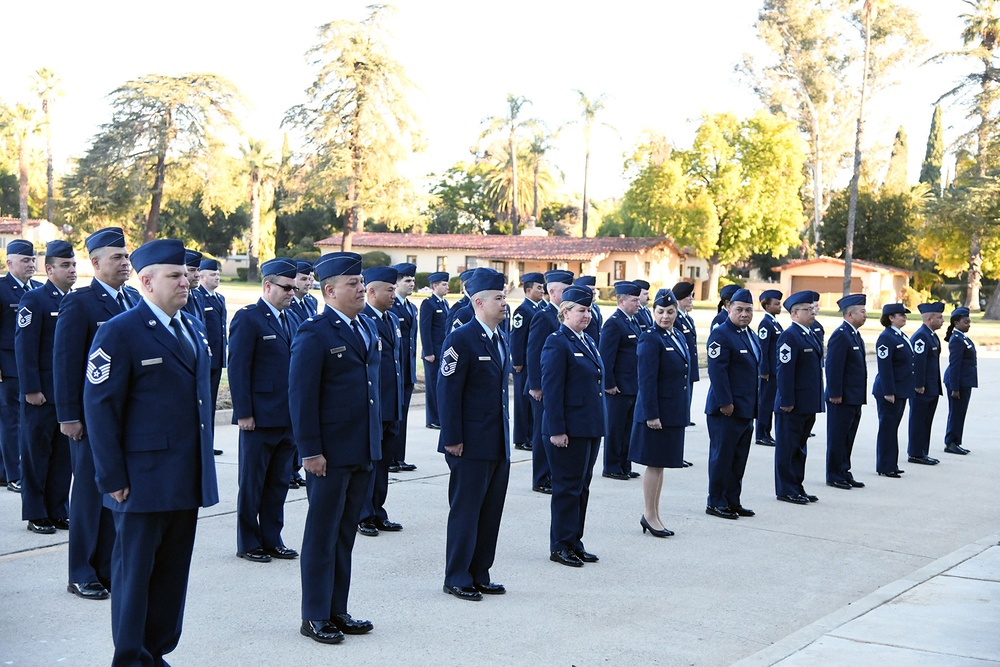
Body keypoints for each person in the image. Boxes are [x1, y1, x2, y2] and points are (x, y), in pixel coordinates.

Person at [84, 238, 219, 665]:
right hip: (139, 481)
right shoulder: (119, 332)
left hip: (185, 476)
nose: (186, 282)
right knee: (134, 579)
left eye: (186, 275)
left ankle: (155, 653)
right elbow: (100, 410)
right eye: (175, 276)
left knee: (170, 579)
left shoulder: (192, 326)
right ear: (146, 281)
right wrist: (112, 478)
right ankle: (130, 658)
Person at [289, 251, 380, 644]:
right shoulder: (315, 332)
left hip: (361, 451)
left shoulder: (365, 328)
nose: (361, 289)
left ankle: (336, 610)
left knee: (345, 535)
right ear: (329, 291)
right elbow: (302, 397)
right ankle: (314, 616)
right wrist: (310, 451)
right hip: (328, 454)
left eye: (361, 284)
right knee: (322, 536)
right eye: (353, 285)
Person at [54, 227, 137, 601]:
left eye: (126, 256)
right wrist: (69, 415)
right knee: (89, 495)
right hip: (89, 420)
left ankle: (105, 567)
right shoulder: (81, 303)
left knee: (114, 494)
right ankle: (81, 571)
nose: (124, 262)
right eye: (116, 257)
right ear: (95, 262)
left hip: (125, 419)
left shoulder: (132, 300)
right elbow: (66, 362)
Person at [437, 267, 511, 601]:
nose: (504, 303)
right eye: (498, 298)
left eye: (504, 296)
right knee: (466, 511)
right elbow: (448, 390)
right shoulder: (461, 338)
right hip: (468, 443)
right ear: (478, 302)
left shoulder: (500, 338)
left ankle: (480, 572)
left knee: (490, 511)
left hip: (496, 441)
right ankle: (456, 576)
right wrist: (452, 437)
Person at [229, 258, 300, 564]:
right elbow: (238, 368)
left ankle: (272, 538)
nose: (292, 294)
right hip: (258, 418)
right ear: (268, 286)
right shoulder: (249, 318)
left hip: (287, 417)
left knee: (278, 482)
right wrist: (243, 413)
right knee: (253, 483)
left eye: (295, 288)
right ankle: (248, 541)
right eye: (287, 288)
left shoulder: (292, 318)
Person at [540, 285, 605, 568]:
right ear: (565, 312)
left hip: (588, 427)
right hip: (568, 429)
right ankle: (560, 545)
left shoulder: (586, 340)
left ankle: (575, 541)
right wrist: (557, 430)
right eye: (581, 310)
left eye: (589, 310)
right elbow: (552, 390)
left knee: (582, 487)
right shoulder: (557, 342)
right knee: (566, 488)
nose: (586, 315)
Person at [15, 240, 76, 534]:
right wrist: (30, 389)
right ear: (49, 269)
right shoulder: (35, 300)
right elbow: (25, 348)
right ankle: (36, 513)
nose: (72, 270)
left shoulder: (76, 300)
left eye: (74, 264)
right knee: (36, 454)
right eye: (65, 265)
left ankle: (57, 510)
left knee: (63, 458)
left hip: (66, 395)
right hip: (40, 394)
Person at [631, 289, 689, 538]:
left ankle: (654, 513)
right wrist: (651, 414)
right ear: (653, 312)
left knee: (661, 464)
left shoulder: (676, 336)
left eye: (670, 312)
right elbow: (646, 380)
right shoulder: (650, 338)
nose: (665, 316)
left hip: (672, 411)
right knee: (654, 465)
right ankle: (649, 514)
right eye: (660, 312)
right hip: (657, 414)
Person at [357, 266, 404, 537]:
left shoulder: (392, 320)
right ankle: (363, 514)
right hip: (374, 405)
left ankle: (377, 510)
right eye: (389, 289)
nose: (393, 295)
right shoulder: (363, 319)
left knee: (384, 463)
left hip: (391, 403)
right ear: (371, 291)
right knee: (369, 463)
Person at [704, 288, 757, 520]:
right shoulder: (721, 334)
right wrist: (726, 402)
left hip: (745, 409)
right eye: (739, 310)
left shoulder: (749, 334)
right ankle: (716, 501)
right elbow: (717, 371)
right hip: (726, 410)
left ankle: (732, 500)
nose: (744, 314)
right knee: (722, 457)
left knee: (738, 458)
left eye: (748, 310)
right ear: (728, 309)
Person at [0, 239, 43, 492]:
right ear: (9, 262)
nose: (31, 264)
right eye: (25, 260)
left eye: (33, 259)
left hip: (31, 366)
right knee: (11, 421)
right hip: (7, 366)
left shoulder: (37, 289)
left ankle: (6, 472)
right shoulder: (2, 289)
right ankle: (15, 475)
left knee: (24, 422)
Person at [526, 269, 574, 495]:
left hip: (557, 384)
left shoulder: (564, 316)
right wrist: (535, 384)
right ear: (552, 291)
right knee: (541, 432)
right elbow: (533, 351)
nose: (568, 295)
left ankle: (551, 475)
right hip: (542, 386)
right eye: (565, 291)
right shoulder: (543, 316)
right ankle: (541, 477)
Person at [773, 290, 823, 505]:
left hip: (807, 402)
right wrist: (787, 400)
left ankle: (797, 485)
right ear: (794, 314)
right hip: (792, 404)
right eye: (807, 309)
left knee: (800, 447)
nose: (812, 312)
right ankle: (786, 488)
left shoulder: (809, 333)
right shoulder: (789, 336)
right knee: (788, 447)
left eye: (813, 309)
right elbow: (784, 371)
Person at [599, 281, 642, 481]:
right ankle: (611, 466)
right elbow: (606, 357)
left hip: (632, 385)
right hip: (618, 387)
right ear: (622, 301)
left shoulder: (632, 321)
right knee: (615, 429)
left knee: (628, 429)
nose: (638, 303)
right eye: (634, 300)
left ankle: (625, 464)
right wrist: (609, 384)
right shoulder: (614, 323)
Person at [824, 294, 868, 490]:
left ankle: (844, 470)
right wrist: (834, 393)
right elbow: (833, 366)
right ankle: (834, 474)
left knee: (848, 436)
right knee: (838, 436)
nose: (866, 315)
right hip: (841, 397)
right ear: (850, 314)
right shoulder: (841, 335)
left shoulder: (854, 334)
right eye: (862, 312)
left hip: (854, 396)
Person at [872, 303, 914, 478]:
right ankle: (885, 466)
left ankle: (892, 463)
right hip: (889, 391)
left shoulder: (900, 335)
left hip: (900, 389)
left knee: (893, 427)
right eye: (901, 315)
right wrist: (889, 391)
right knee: (887, 428)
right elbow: (885, 367)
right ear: (890, 318)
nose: (904, 317)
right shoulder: (886, 337)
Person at [510, 272, 545, 451]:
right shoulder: (523, 310)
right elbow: (516, 337)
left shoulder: (539, 308)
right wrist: (517, 361)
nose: (542, 290)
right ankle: (521, 438)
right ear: (528, 290)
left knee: (531, 404)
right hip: (523, 364)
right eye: (538, 287)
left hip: (533, 364)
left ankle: (530, 435)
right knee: (522, 404)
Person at [389, 263, 418, 472]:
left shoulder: (411, 307)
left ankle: (399, 457)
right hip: (394, 371)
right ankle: (389, 458)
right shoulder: (392, 307)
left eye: (412, 281)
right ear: (396, 283)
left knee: (403, 416)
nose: (411, 284)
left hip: (407, 370)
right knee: (392, 416)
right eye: (407, 280)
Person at [196, 258, 227, 455]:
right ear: (201, 276)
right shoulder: (198, 297)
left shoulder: (219, 298)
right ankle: (202, 444)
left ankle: (209, 442)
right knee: (203, 404)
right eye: (213, 274)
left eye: (218, 274)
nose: (217, 277)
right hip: (205, 359)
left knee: (212, 404)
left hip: (217, 358)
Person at [908, 302, 945, 466]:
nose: (943, 320)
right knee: (918, 420)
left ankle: (923, 452)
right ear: (929, 319)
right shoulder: (921, 336)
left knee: (926, 421)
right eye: (940, 317)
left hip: (931, 387)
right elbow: (918, 363)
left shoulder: (931, 335)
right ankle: (916, 453)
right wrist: (918, 384)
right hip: (922, 388)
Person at [943, 307, 976, 456]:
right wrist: (955, 388)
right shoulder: (956, 339)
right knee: (956, 412)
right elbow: (955, 365)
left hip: (964, 381)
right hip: (958, 382)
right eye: (966, 322)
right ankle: (951, 443)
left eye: (969, 322)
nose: (969, 324)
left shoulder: (962, 337)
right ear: (956, 323)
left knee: (960, 412)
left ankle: (956, 441)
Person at [419, 271, 450, 429]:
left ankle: (439, 417)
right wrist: (429, 352)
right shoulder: (428, 304)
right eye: (444, 284)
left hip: (442, 352)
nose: (447, 287)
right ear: (435, 286)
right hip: (433, 353)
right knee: (432, 387)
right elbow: (425, 329)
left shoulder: (444, 304)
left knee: (440, 386)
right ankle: (432, 419)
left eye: (446, 284)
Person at [755, 289, 783, 446]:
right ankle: (761, 433)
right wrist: (763, 370)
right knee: (765, 403)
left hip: (775, 370)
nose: (779, 306)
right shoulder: (765, 324)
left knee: (770, 402)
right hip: (769, 372)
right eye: (776, 304)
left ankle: (767, 431)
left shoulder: (774, 322)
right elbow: (763, 349)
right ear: (767, 306)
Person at [673, 280, 699, 429]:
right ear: (679, 298)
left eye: (692, 295)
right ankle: (682, 415)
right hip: (682, 364)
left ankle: (686, 415)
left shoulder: (687, 318)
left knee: (689, 390)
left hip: (690, 362)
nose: (691, 299)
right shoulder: (676, 318)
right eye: (688, 296)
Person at [575, 275, 603, 344]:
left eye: (594, 289)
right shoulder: (577, 309)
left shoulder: (596, 308)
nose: (594, 292)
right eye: (591, 289)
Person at [180, 249, 205, 321]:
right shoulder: (173, 296)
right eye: (192, 270)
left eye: (198, 270)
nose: (197, 275)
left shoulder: (199, 296)